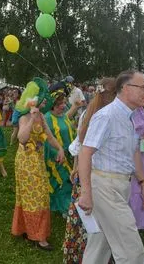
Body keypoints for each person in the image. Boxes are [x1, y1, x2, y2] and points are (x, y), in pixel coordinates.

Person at [78, 70, 144, 264]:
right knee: (131, 252)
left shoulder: (132, 115)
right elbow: (85, 152)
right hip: (106, 187)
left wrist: (143, 183)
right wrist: (86, 192)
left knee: (99, 247)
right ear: (126, 89)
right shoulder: (107, 116)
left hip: (120, 185)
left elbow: (134, 150)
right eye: (143, 87)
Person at [62, 77, 116, 264]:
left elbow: (79, 145)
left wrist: (76, 168)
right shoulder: (108, 115)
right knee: (100, 219)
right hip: (100, 175)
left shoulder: (87, 113)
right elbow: (83, 146)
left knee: (85, 220)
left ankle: (81, 255)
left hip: (85, 174)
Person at [11, 78, 65, 251]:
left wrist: (60, 149)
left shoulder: (41, 116)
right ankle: (37, 236)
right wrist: (31, 118)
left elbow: (49, 136)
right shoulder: (24, 117)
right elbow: (22, 138)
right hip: (26, 162)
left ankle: (31, 230)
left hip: (37, 161)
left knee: (40, 195)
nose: (44, 102)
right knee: (32, 196)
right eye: (41, 99)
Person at [44, 84, 80, 216]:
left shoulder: (63, 116)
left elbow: (69, 129)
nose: (63, 106)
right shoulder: (47, 118)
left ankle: (69, 205)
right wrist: (57, 154)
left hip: (70, 155)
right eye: (60, 104)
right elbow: (46, 141)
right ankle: (65, 208)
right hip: (57, 158)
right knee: (62, 183)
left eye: (64, 103)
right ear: (53, 104)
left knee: (71, 182)